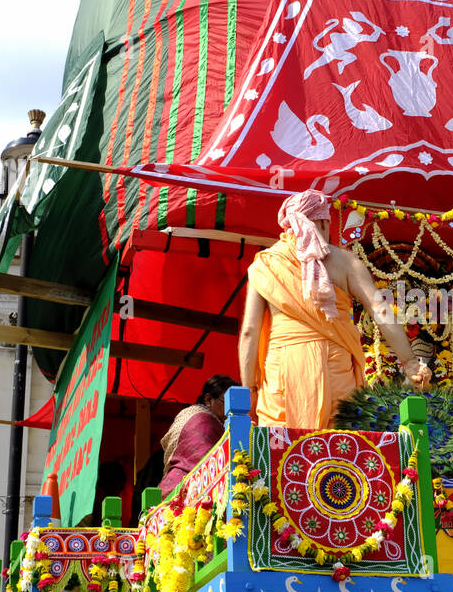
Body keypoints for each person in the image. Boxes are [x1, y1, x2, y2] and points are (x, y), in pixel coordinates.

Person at [238, 189, 430, 429]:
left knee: (279, 452)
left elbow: (249, 332)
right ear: (322, 221)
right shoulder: (346, 262)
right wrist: (410, 361)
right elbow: (380, 311)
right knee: (339, 450)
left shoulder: (266, 264)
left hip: (283, 374)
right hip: (336, 369)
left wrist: (250, 390)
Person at [157, 374, 235, 495]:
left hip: (168, 490)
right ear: (208, 400)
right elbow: (212, 464)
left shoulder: (189, 415)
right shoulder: (204, 422)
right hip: (189, 492)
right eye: (228, 403)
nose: (231, 411)